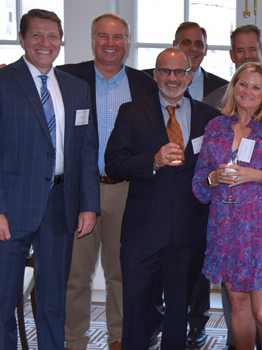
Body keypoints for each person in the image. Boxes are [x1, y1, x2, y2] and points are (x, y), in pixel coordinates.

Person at [0, 9, 100, 349]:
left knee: (55, 300)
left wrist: (88, 205)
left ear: (61, 41)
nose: (45, 43)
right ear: (22, 39)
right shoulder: (0, 82)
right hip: (10, 207)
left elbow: (86, 149)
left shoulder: (76, 88)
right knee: (2, 299)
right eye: (37, 35)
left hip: (61, 205)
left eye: (52, 36)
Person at [104, 47, 218, 350]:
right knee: (137, 309)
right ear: (155, 75)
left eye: (179, 71)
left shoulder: (211, 118)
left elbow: (214, 171)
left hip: (188, 230)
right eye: (165, 71)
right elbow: (113, 162)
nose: (172, 78)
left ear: (190, 76)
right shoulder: (132, 111)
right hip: (142, 230)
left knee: (179, 311)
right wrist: (152, 161)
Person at [57, 13, 158, 350]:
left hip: (128, 191)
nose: (111, 43)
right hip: (78, 191)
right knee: (76, 276)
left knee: (122, 273)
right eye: (103, 36)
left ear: (127, 42)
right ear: (92, 40)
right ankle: (74, 341)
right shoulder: (67, 77)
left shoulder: (145, 84)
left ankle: (119, 338)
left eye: (118, 37)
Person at [192, 61, 262, 350]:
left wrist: (260, 175)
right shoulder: (216, 126)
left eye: (256, 86)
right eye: (243, 83)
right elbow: (198, 185)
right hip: (225, 229)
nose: (248, 91)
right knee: (239, 307)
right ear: (234, 86)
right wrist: (214, 177)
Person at [142, 21, 228, 349]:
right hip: (158, 193)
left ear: (205, 50)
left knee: (196, 268)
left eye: (198, 43)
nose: (192, 48)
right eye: (186, 42)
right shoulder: (156, 79)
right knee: (160, 270)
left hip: (201, 196)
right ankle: (158, 322)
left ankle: (197, 324)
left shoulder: (222, 89)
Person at [204, 24, 262, 110]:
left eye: (252, 49)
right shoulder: (213, 101)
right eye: (240, 50)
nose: (247, 56)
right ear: (232, 56)